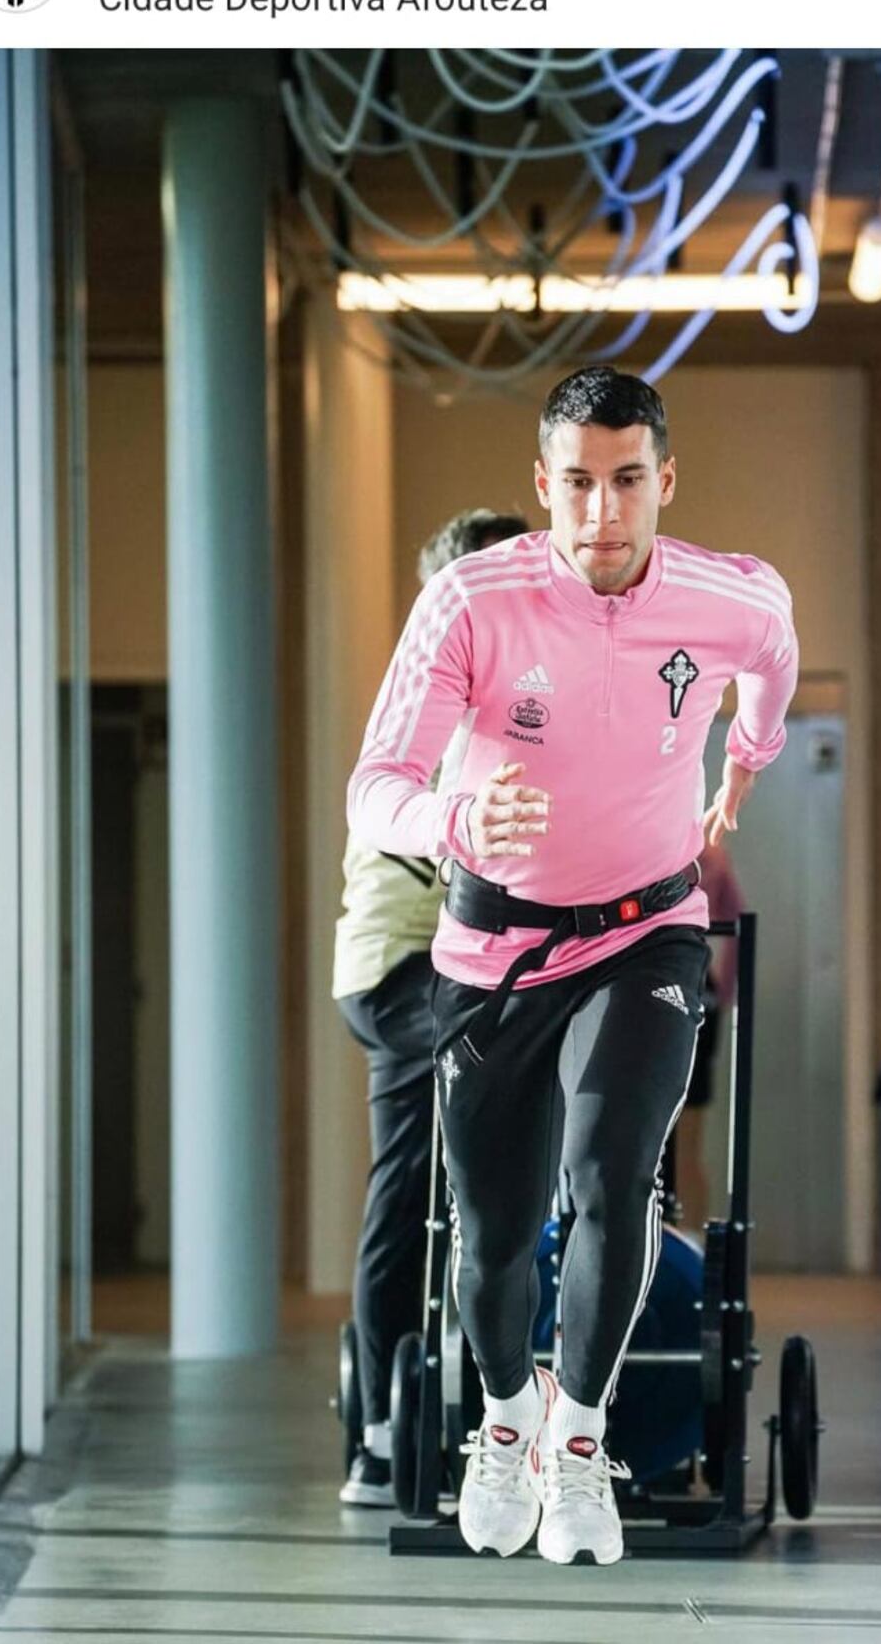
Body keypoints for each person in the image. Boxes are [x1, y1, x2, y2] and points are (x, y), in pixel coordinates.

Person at [347, 366, 798, 1565]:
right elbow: (374, 785)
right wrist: (454, 819)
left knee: (611, 1174)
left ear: (665, 481)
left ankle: (581, 1440)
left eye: (627, 481)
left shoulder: (724, 596)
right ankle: (507, 1418)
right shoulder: (468, 602)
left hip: (647, 932)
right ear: (542, 485)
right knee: (493, 1227)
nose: (603, 511)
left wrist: (744, 762)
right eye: (579, 484)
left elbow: (773, 651)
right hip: (495, 949)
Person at [334, 508, 529, 1507]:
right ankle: (386, 1430)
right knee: (440, 1165)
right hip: (404, 968)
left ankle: (385, 1431)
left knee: (407, 1185)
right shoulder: (448, 696)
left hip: (416, 968)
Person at [672, 838, 746, 1239]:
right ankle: (688, 1241)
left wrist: (725, 989)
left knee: (683, 1134)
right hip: (697, 985)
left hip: (688, 984)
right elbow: (738, 919)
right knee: (686, 1137)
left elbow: (738, 923)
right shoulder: (710, 851)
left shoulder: (706, 851)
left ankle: (688, 1242)